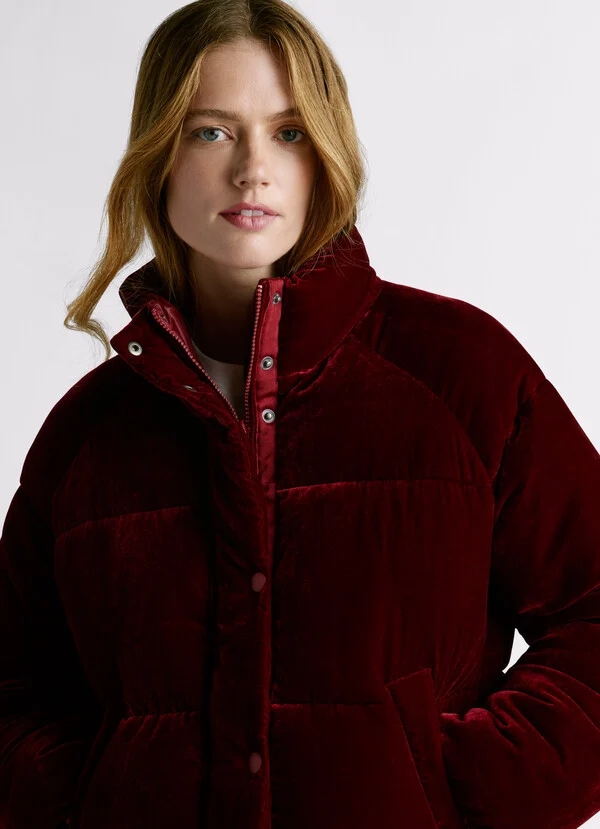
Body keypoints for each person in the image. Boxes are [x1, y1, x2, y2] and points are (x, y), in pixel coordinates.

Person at [2, 1, 600, 828]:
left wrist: (453, 791)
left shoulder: (463, 374)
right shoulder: (86, 435)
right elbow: (14, 685)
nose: (253, 169)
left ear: (325, 153)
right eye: (211, 131)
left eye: (288, 132)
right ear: (158, 155)